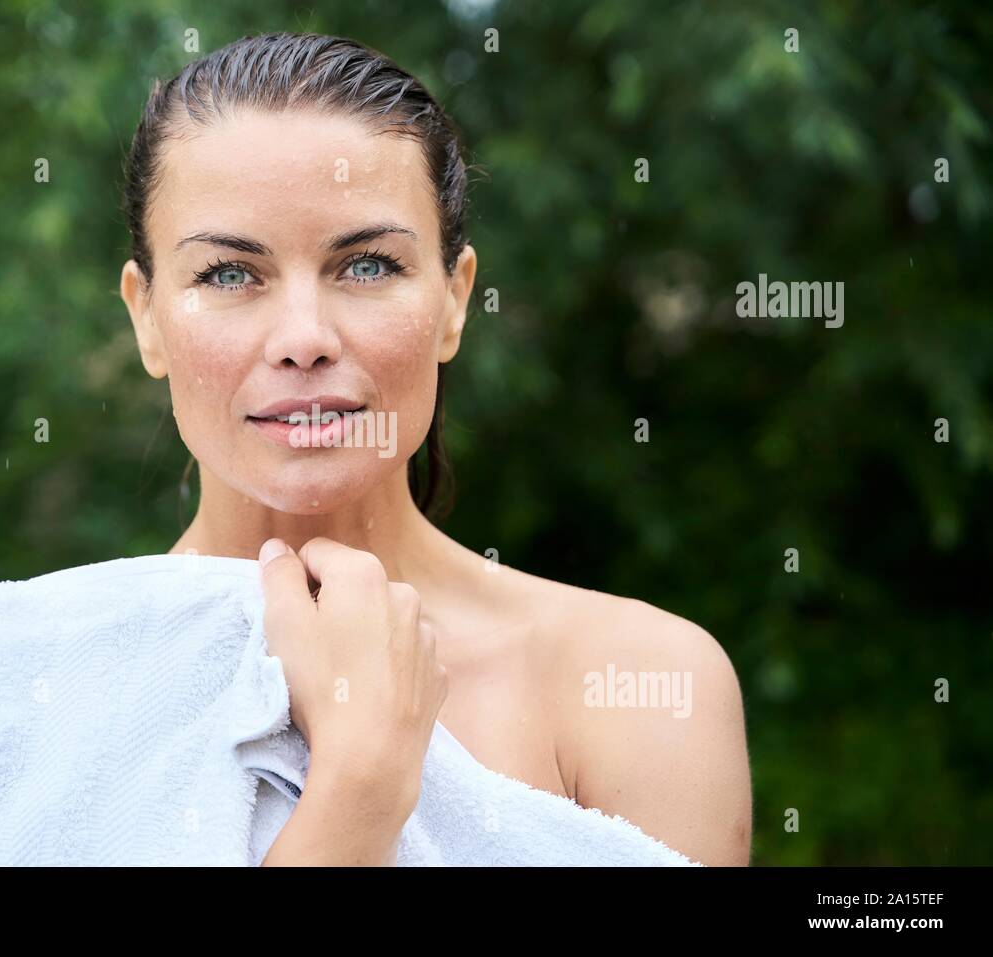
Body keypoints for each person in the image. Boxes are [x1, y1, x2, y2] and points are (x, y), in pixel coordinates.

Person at [118, 31, 752, 866]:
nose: (302, 339)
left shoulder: (641, 687)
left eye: (369, 265)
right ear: (147, 316)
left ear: (454, 301)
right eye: (230, 275)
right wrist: (357, 794)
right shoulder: (21, 682)